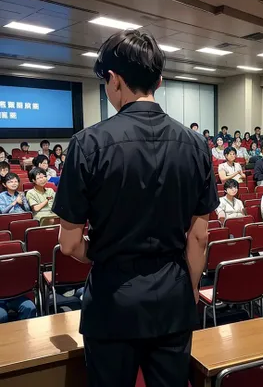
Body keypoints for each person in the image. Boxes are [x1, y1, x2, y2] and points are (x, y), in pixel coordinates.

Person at [52, 29, 219, 387]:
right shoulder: (196, 144)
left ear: (114, 80)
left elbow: (68, 244)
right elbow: (200, 236)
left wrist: (102, 252)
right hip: (172, 297)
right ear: (159, 80)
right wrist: (188, 287)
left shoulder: (87, 144)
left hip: (113, 301)